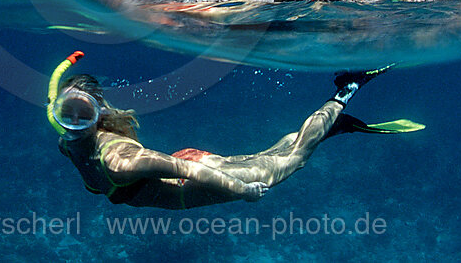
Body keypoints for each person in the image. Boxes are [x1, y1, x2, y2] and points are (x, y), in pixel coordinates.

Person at [47, 51, 423, 209]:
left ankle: (345, 95)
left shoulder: (117, 160)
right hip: (180, 167)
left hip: (191, 180)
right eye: (67, 113)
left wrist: (243, 192)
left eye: (83, 115)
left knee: (290, 163)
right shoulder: (68, 141)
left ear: (99, 116)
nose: (74, 124)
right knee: (271, 155)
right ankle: (325, 127)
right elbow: (56, 94)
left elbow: (185, 170)